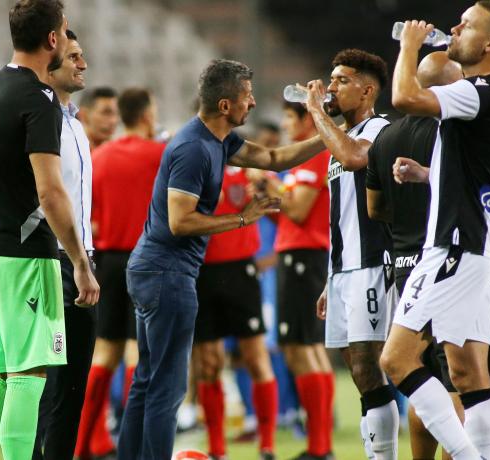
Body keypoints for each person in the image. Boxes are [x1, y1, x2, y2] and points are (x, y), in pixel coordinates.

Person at [117, 58, 327, 460]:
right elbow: (180, 221)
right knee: (166, 388)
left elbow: (274, 159)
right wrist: (242, 218)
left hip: (158, 269)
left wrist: (329, 134)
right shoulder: (194, 148)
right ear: (226, 105)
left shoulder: (219, 140)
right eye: (247, 96)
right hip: (167, 272)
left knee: (148, 381)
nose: (253, 103)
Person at [380, 3, 490, 459]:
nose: (455, 28)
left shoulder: (478, 91)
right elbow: (477, 172)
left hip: (455, 245)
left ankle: (467, 455)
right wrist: (428, 175)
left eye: (468, 25)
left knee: (396, 360)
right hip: (477, 245)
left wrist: (409, 46)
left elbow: (405, 98)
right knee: (467, 373)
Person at [0, 1, 99, 459]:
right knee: (30, 374)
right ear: (52, 39)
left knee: (3, 374)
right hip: (23, 256)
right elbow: (51, 192)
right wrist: (80, 263)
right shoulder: (38, 98)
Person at [367, 51, 465, 460]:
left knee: (420, 378)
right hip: (449, 261)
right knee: (458, 379)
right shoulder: (453, 131)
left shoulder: (385, 137)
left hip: (405, 266)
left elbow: (375, 208)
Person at [304, 48, 397, 460]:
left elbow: (355, 157)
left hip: (372, 264)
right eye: (332, 79)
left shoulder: (379, 129)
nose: (332, 87)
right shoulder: (338, 140)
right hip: (344, 270)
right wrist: (330, 278)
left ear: (367, 90)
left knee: (371, 368)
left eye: (342, 80)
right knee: (361, 375)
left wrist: (314, 110)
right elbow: (339, 217)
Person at [75, 88, 165, 459]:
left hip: (106, 263)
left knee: (103, 354)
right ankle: (135, 448)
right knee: (136, 354)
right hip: (146, 260)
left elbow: (87, 217)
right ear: (146, 115)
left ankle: (79, 447)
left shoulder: (98, 158)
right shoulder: (161, 155)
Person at [254, 101, 334, 460]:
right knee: (310, 349)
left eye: (289, 117)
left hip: (303, 257)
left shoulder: (313, 155)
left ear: (306, 119)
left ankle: (319, 447)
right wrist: (269, 199)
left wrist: (271, 183)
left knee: (300, 350)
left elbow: (299, 210)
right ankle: (321, 445)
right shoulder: (308, 158)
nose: (285, 125)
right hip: (303, 255)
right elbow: (289, 215)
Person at [31, 29, 97, 460]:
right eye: (73, 56)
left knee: (72, 390)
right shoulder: (36, 118)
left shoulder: (73, 122)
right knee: (46, 387)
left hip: (79, 260)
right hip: (52, 261)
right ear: (49, 61)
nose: (83, 64)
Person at [192, 165, 277, 460]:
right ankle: (217, 449)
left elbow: (281, 205)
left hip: (242, 272)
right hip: (203, 272)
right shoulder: (195, 163)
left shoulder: (248, 166)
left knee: (256, 358)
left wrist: (265, 185)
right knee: (209, 364)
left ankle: (267, 446)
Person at [78, 87, 119, 151]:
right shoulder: (67, 151)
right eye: (106, 113)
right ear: (84, 115)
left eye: (116, 113)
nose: (113, 121)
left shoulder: (120, 153)